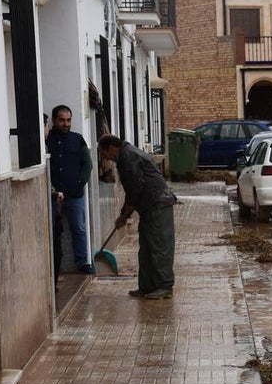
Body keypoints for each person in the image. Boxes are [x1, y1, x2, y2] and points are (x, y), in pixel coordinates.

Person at [98, 134, 178, 299]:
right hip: (149, 206)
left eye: (104, 154)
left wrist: (124, 215)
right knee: (146, 248)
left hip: (158, 205)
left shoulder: (128, 157)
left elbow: (134, 190)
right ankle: (147, 286)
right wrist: (125, 213)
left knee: (159, 247)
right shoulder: (126, 154)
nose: (105, 158)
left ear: (112, 148)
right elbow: (133, 192)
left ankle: (165, 286)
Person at [46, 105, 95, 274]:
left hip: (74, 195)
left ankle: (82, 262)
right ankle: (52, 267)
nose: (66, 124)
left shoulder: (77, 139)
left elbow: (87, 164)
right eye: (62, 120)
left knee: (79, 228)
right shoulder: (47, 139)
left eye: (68, 120)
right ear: (54, 120)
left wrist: (79, 183)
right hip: (52, 195)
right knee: (51, 230)